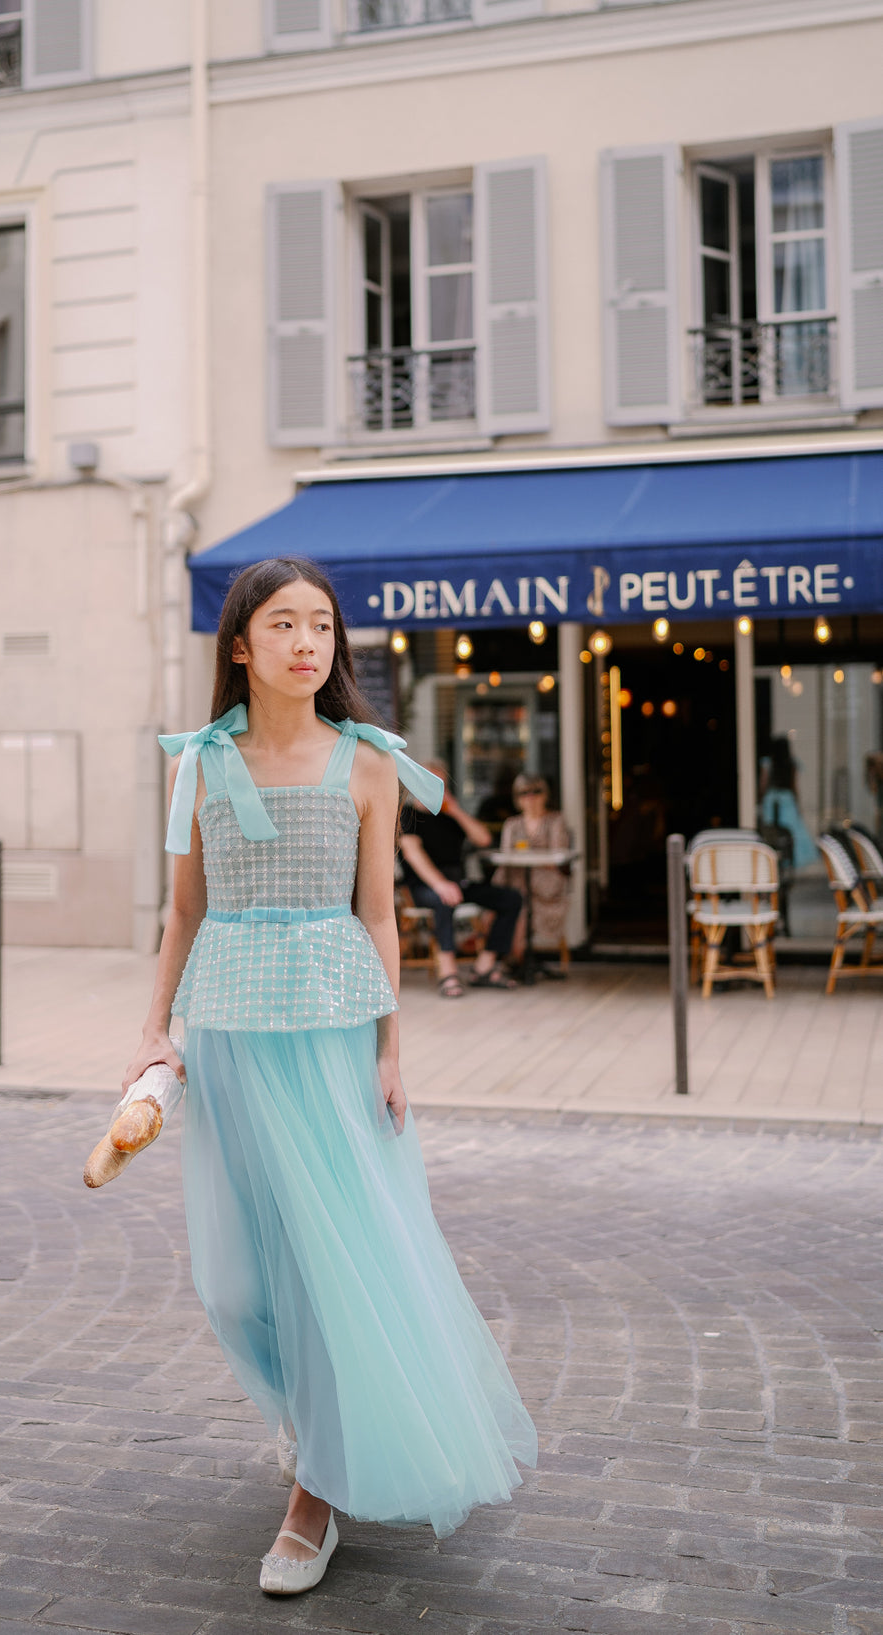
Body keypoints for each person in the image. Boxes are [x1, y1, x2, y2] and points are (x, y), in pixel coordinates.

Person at [122, 558, 537, 1598]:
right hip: (228, 1032)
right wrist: (149, 1032)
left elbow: (380, 916)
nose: (307, 643)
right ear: (239, 646)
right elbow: (182, 913)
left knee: (326, 1266)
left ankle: (312, 1493)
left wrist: (394, 1050)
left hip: (334, 1034)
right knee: (233, 1282)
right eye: (283, 625)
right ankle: (305, 1425)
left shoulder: (364, 763)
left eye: (321, 626)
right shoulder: (201, 763)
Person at [398, 763, 523, 998]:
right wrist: (440, 884)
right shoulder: (407, 814)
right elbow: (413, 854)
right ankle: (448, 973)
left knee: (511, 899)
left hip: (458, 883)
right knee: (444, 900)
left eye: (440, 784)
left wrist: (455, 810)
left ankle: (484, 967)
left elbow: (483, 838)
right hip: (422, 887)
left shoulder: (450, 815)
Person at [494, 774, 571, 977]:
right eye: (524, 793)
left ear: (545, 795)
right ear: (517, 798)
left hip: (545, 881)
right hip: (518, 877)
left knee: (519, 901)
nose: (531, 798)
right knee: (512, 898)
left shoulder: (555, 820)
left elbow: (557, 855)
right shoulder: (512, 823)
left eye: (536, 792)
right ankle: (514, 957)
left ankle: (514, 958)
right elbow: (506, 854)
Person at [758, 736, 817, 869]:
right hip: (787, 799)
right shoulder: (792, 763)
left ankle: (775, 861)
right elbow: (794, 787)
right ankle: (789, 861)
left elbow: (763, 785)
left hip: (771, 799)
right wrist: (797, 806)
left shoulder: (768, 763)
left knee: (772, 832)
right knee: (793, 832)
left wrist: (761, 800)